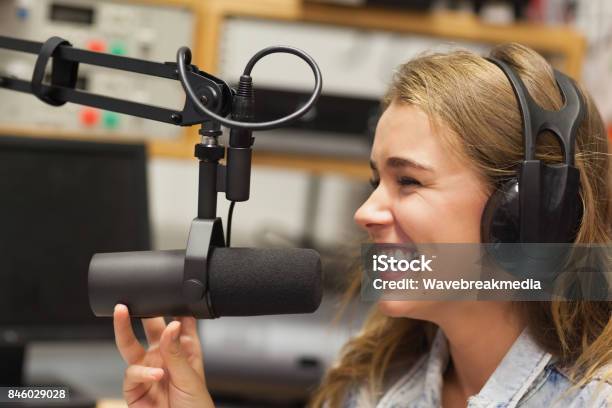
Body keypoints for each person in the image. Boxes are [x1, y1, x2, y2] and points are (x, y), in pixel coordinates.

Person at [112, 43, 612, 407]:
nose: (366, 212)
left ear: (527, 212)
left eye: (409, 181)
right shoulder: (371, 383)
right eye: (376, 180)